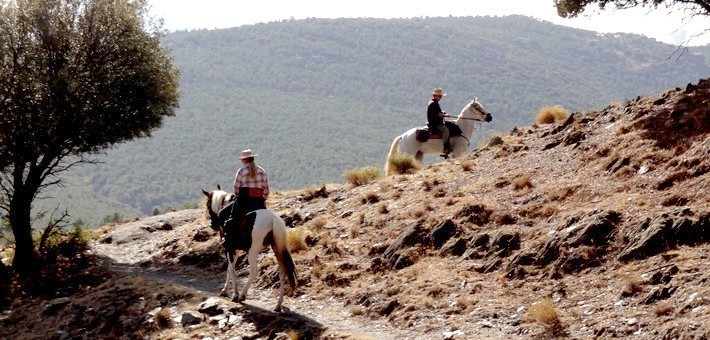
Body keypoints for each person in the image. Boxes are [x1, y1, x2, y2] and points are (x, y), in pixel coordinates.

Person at [223, 149, 270, 249]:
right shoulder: (262, 171)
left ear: (244, 160)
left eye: (242, 160)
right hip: (259, 203)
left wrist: (238, 196)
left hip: (244, 202)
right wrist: (262, 199)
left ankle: (227, 241)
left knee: (231, 219)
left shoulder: (241, 171)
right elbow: (266, 190)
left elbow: (236, 188)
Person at [427, 88, 451, 156]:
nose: (440, 98)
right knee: (446, 130)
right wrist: (445, 115)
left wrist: (442, 112)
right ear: (435, 96)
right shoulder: (434, 103)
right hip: (435, 124)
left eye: (441, 96)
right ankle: (446, 147)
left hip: (434, 122)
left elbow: (437, 112)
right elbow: (438, 114)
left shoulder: (433, 102)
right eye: (440, 96)